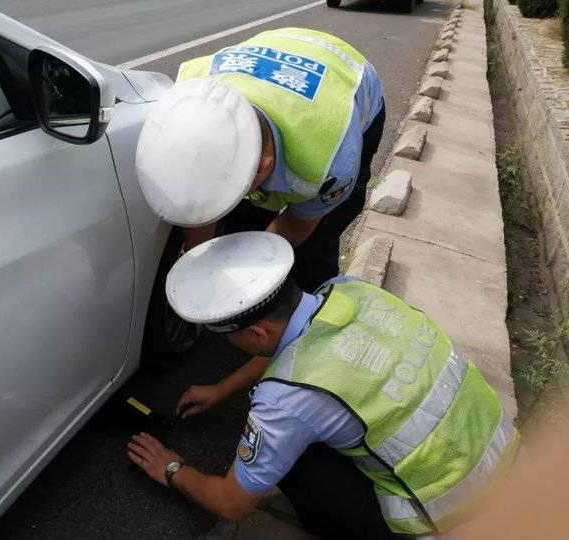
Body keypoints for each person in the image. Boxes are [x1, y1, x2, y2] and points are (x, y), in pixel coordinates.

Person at [127, 232, 520, 538]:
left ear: (257, 334)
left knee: (296, 463)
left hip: (449, 516)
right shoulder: (350, 290)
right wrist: (222, 389)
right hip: (502, 457)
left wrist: (173, 468)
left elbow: (231, 504)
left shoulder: (284, 401)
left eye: (230, 336)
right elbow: (293, 344)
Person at [135, 28, 385, 292]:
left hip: (350, 80)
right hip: (275, 48)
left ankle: (309, 311)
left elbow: (296, 225)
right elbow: (200, 201)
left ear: (264, 167)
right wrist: (197, 259)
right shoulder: (187, 102)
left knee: (316, 243)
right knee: (240, 220)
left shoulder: (332, 162)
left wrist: (249, 280)